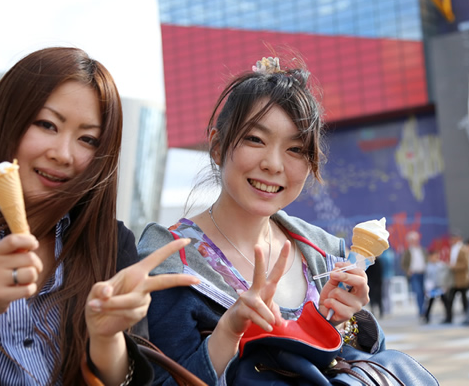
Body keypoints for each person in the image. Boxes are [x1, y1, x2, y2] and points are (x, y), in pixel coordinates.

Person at [0, 47, 198, 386]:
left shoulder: (110, 242)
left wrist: (107, 339)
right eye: (47, 125)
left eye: (88, 139)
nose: (63, 154)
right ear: (4, 122)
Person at [137, 55, 381, 385]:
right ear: (217, 146)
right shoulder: (171, 260)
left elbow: (368, 364)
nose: (273, 164)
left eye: (295, 149)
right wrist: (228, 331)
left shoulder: (325, 251)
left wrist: (348, 320)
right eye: (255, 139)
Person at [443, 233, 469, 324]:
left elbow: (466, 264)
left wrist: (454, 266)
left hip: (462, 280)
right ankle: (449, 318)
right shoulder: (452, 250)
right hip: (453, 280)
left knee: (464, 300)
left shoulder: (463, 250)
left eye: (454, 239)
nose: (452, 241)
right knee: (449, 299)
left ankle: (467, 318)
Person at [401, 230, 427, 318]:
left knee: (424, 293)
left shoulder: (422, 250)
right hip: (414, 275)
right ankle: (421, 311)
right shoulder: (408, 252)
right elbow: (403, 264)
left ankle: (425, 310)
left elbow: (426, 260)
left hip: (424, 274)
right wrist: (408, 270)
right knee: (418, 292)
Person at [422, 250, 451, 324]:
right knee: (430, 303)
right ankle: (426, 318)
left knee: (446, 302)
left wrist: (446, 285)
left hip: (440, 287)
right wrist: (426, 288)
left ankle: (448, 317)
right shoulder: (428, 266)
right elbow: (426, 278)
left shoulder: (441, 265)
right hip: (432, 288)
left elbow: (446, 276)